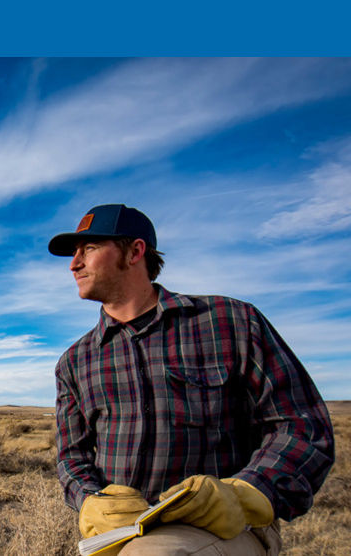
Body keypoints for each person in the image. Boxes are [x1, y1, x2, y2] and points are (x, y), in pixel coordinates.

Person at [48, 204, 334, 556]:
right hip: (119, 536)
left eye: (88, 249)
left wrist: (246, 493)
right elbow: (71, 457)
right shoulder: (75, 361)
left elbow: (303, 425)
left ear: (135, 251)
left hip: (225, 526)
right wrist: (90, 501)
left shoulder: (231, 322)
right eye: (74, 254)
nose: (74, 264)